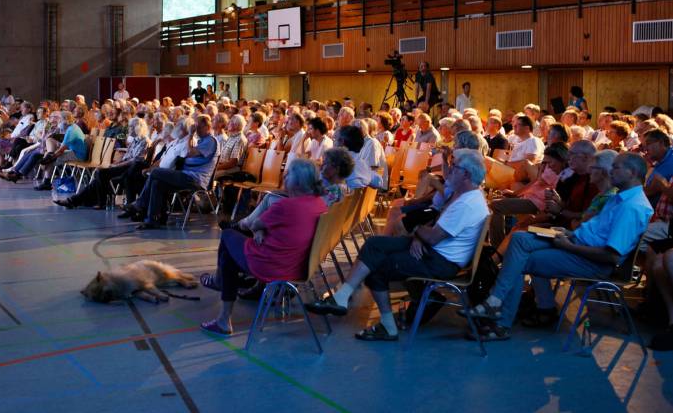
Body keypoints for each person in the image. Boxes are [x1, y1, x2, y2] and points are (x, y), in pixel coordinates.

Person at [305, 149, 489, 341]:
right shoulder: (465, 196)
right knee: (375, 244)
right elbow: (436, 226)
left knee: (377, 267)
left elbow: (434, 236)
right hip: (433, 250)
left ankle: (387, 326)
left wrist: (416, 229)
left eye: (454, 167)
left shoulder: (467, 203)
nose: (449, 170)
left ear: (466, 174)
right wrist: (418, 236)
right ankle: (342, 296)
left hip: (440, 261)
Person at [467, 152, 653, 339]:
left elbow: (611, 256)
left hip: (591, 261)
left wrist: (568, 245)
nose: (610, 171)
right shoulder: (620, 199)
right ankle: (497, 302)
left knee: (519, 260)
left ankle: (500, 320)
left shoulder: (632, 207)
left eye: (616, 167)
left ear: (632, 172)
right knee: (519, 239)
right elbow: (596, 233)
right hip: (576, 243)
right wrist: (569, 235)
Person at [200, 158, 328, 335]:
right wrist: (260, 230)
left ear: (297, 181)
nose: (285, 175)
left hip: (271, 266)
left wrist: (258, 230)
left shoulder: (286, 206)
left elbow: (252, 225)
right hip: (299, 266)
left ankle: (223, 310)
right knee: (229, 254)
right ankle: (224, 287)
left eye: (288, 173)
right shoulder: (319, 204)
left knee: (228, 236)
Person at [124, 115, 219, 229]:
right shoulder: (201, 140)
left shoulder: (211, 141)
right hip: (187, 176)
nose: (195, 128)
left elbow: (190, 152)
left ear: (206, 126)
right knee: (157, 183)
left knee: (155, 173)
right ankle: (153, 220)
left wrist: (190, 134)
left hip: (195, 179)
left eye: (198, 126)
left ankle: (140, 204)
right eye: (194, 126)